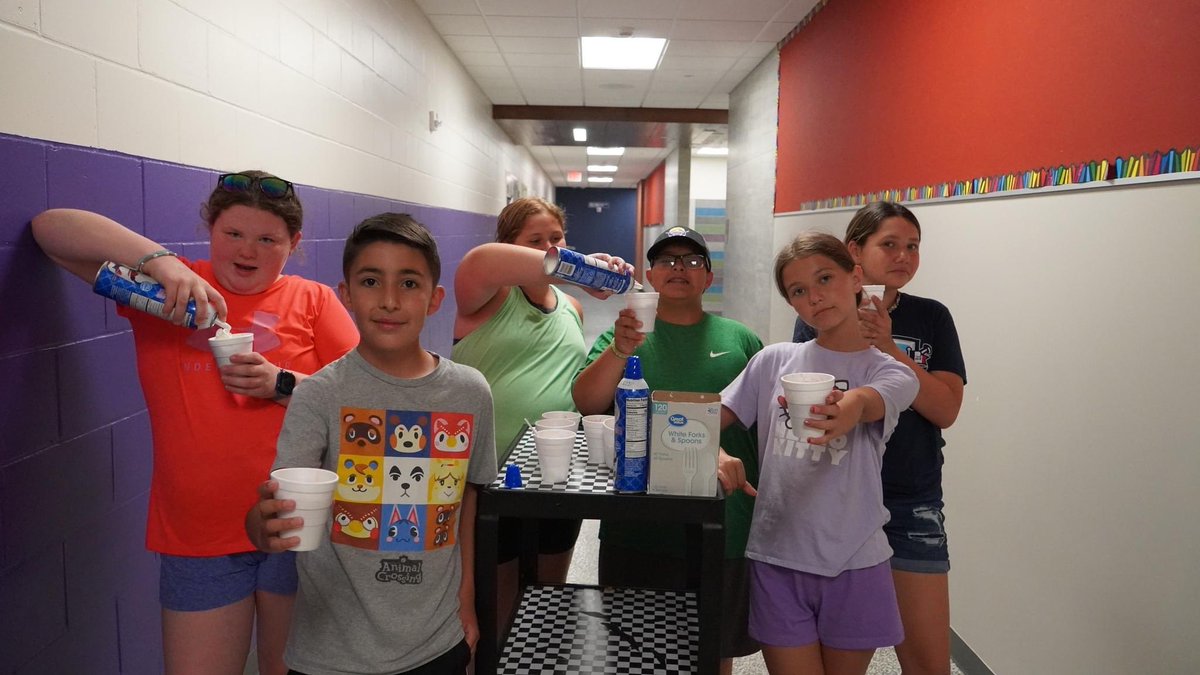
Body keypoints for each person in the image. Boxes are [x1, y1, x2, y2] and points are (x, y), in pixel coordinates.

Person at [31, 171, 359, 675]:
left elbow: (364, 402)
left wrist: (283, 384)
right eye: (233, 234)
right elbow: (51, 232)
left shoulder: (312, 300)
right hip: (197, 536)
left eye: (267, 239)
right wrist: (158, 260)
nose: (247, 251)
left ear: (293, 244)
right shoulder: (169, 290)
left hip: (300, 527)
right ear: (210, 230)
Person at [246, 213, 496, 675]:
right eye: (370, 280)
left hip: (436, 640)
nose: (388, 300)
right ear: (346, 295)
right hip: (331, 654)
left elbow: (467, 502)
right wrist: (264, 527)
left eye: (408, 283)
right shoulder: (319, 394)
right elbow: (276, 516)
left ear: (435, 298)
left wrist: (467, 606)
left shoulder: (470, 393)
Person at [719, 232, 919, 675]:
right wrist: (711, 449)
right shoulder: (773, 361)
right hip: (777, 554)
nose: (815, 297)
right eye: (799, 291)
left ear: (855, 277)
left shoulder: (887, 370)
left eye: (825, 278)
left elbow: (874, 398)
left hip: (855, 557)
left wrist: (848, 408)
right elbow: (706, 419)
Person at [572, 225, 764, 675]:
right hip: (637, 524)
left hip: (723, 522)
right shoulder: (626, 336)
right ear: (649, 276)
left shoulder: (740, 341)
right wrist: (620, 350)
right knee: (631, 649)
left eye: (692, 261)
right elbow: (587, 403)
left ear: (708, 277)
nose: (679, 268)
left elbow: (765, 426)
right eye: (667, 261)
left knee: (713, 651)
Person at [794, 202, 966, 675]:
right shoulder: (819, 310)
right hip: (839, 498)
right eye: (888, 244)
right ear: (855, 252)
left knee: (929, 661)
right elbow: (814, 404)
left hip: (910, 501)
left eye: (912, 246)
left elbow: (945, 409)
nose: (903, 256)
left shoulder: (932, 317)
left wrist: (888, 349)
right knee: (837, 660)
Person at [450, 197, 629, 625]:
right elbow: (483, 261)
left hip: (557, 477)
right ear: (513, 246)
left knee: (547, 602)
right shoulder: (484, 297)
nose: (550, 247)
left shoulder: (573, 308)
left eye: (556, 238)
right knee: (496, 604)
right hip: (489, 478)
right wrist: (580, 266)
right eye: (535, 241)